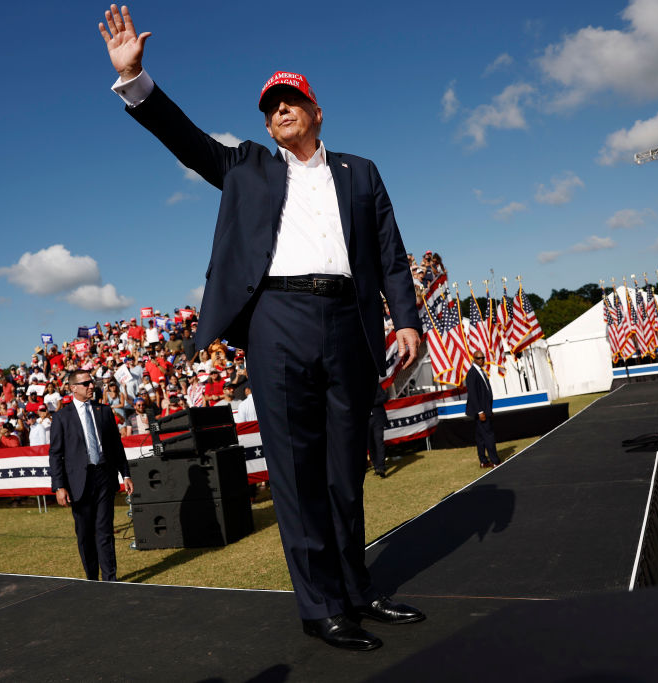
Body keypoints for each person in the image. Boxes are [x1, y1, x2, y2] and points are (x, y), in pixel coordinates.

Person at [99, 5, 423, 651]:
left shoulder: (361, 171)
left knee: (344, 470)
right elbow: (185, 138)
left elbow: (390, 252)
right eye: (271, 107)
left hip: (349, 321)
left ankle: (357, 590)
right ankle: (321, 606)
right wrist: (135, 79)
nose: (280, 111)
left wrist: (407, 320)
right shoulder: (246, 165)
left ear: (316, 111)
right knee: (296, 472)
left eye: (290, 101)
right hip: (277, 319)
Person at [49, 370, 135, 581]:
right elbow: (56, 454)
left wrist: (125, 474)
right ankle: (92, 579)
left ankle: (110, 580)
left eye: (92, 382)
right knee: (85, 534)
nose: (91, 386)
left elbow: (116, 446)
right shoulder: (61, 417)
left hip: (104, 477)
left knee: (105, 531)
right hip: (78, 483)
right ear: (73, 388)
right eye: (86, 383)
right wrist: (59, 486)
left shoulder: (103, 411)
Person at [464, 351, 500, 468]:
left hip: (485, 409)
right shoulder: (472, 373)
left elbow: (485, 392)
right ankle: (495, 461)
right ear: (474, 359)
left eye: (483, 358)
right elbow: (473, 395)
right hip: (480, 411)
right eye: (479, 358)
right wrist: (480, 411)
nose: (482, 360)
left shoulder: (481, 371)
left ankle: (483, 461)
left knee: (480, 437)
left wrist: (489, 409)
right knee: (489, 435)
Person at [367, 384, 388, 477]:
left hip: (377, 419)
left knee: (379, 442)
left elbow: (384, 398)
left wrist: (372, 402)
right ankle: (376, 467)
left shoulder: (376, 386)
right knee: (370, 445)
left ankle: (381, 467)